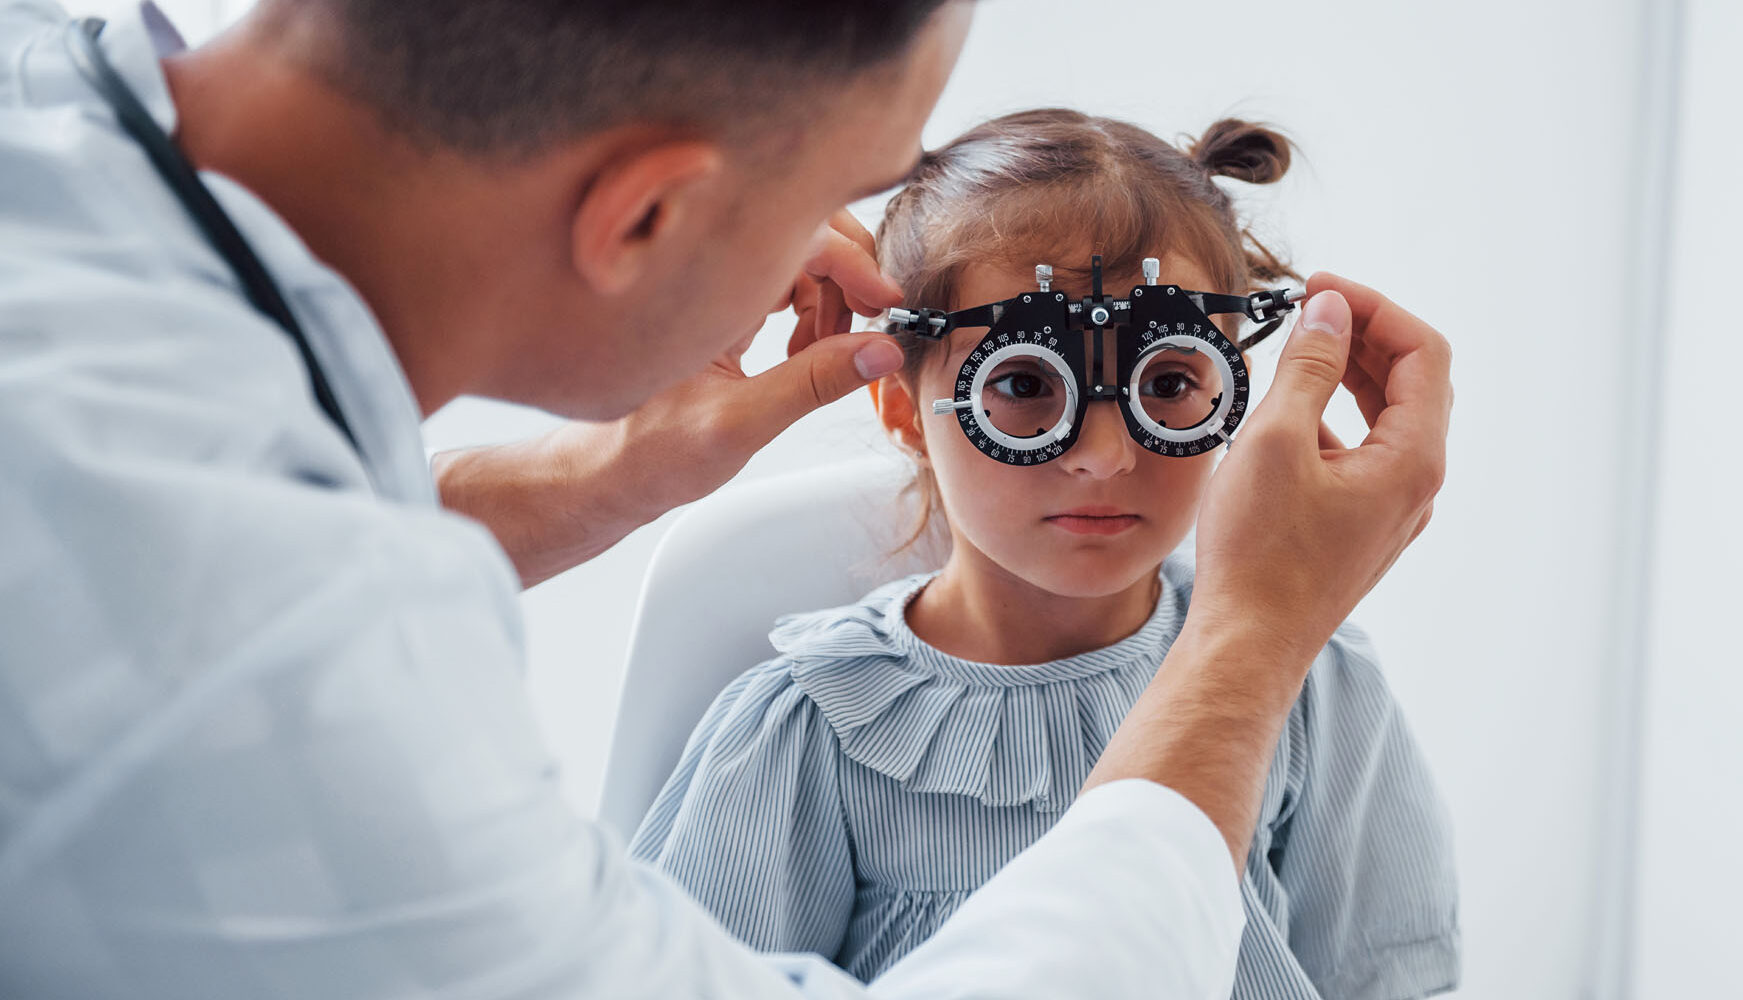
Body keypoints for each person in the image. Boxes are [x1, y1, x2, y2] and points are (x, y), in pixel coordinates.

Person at [0, 1, 1454, 997]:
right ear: (646, 214)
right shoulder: (262, 693)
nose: (846, 260)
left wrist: (602, 480)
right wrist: (1250, 649)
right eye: (849, 179)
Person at [632, 110, 1461, 1000]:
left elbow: (1394, 978)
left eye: (1169, 382)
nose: (1104, 454)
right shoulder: (814, 729)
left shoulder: (1313, 677)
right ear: (905, 411)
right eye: (1024, 383)